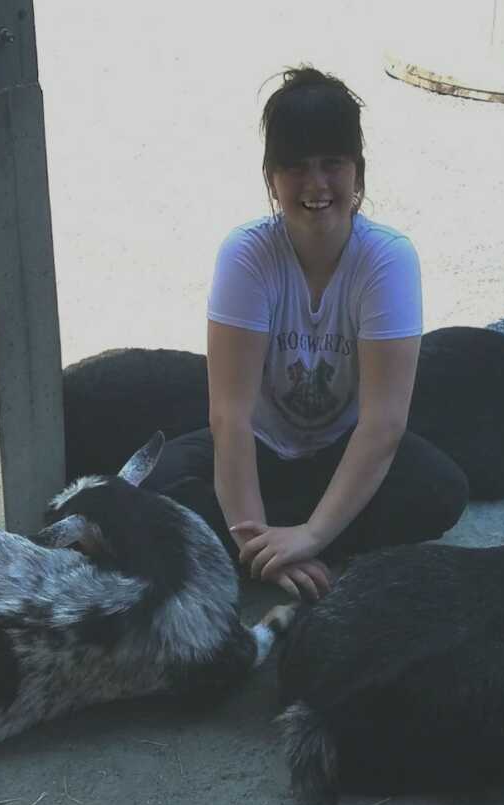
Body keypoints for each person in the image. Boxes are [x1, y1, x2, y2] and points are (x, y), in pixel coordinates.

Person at [143, 66, 468, 600]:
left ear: (357, 173)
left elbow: (384, 424)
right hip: (263, 447)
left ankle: (300, 536)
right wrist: (260, 545)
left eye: (332, 164)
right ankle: (285, 546)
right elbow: (230, 416)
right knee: (155, 486)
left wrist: (312, 534)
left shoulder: (387, 258)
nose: (316, 185)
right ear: (271, 178)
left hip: (341, 447)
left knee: (442, 490)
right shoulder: (247, 254)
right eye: (296, 167)